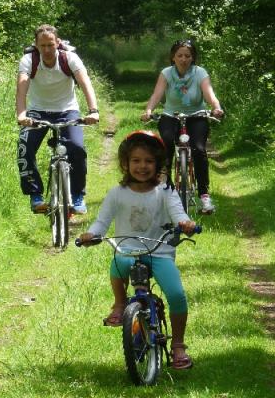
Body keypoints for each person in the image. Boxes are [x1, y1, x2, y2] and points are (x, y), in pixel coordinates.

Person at [78, 130, 197, 370]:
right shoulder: (117, 194)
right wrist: (92, 234)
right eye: (136, 160)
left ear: (158, 164)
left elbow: (178, 213)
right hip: (128, 250)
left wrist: (186, 224)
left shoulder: (165, 192)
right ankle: (120, 304)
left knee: (176, 294)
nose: (142, 166)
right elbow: (102, 221)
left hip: (159, 252)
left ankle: (179, 345)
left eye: (149, 161)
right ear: (125, 163)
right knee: (118, 263)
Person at [16, 24, 99, 214]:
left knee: (77, 149)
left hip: (67, 111)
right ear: (36, 45)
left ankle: (77, 195)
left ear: (57, 43)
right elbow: (21, 88)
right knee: (24, 148)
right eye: (42, 45)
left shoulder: (69, 58)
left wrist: (93, 110)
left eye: (50, 45)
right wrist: (21, 114)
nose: (46, 50)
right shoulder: (29, 60)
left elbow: (85, 82)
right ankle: (35, 196)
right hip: (37, 111)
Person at [141, 39, 224, 213]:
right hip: (171, 115)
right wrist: (149, 110)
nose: (184, 59)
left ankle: (204, 197)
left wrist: (216, 107)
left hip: (196, 115)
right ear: (173, 57)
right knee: (167, 144)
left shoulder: (200, 73)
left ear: (193, 58)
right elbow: (157, 94)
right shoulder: (166, 73)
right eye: (180, 55)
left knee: (199, 149)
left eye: (188, 55)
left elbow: (209, 94)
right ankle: (166, 188)